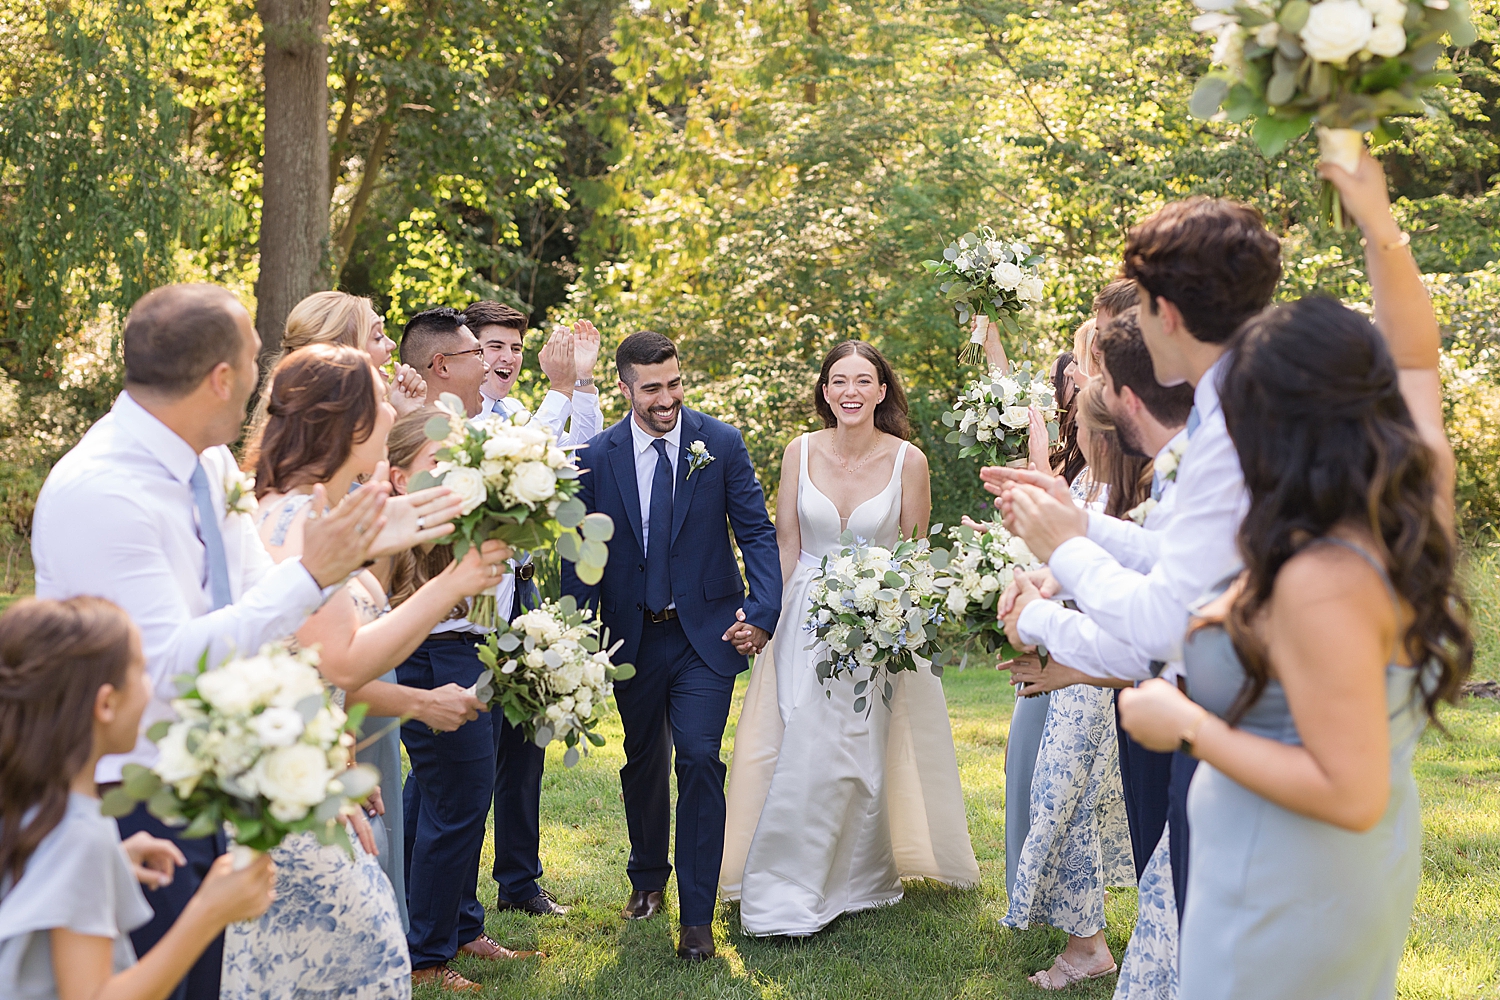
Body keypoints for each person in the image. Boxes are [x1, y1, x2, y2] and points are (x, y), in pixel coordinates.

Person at [30, 284, 458, 1000]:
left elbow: (269, 641)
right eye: (256, 362)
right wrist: (314, 573)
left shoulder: (211, 468)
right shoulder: (104, 492)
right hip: (134, 801)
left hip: (224, 787)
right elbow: (172, 668)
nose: (267, 382)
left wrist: (303, 764)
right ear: (221, 377)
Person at [1118, 153, 1470, 1000]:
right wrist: (1378, 224)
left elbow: (1348, 790)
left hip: (1278, 880)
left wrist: (1186, 726)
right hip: (1343, 870)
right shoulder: (1413, 494)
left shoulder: (1322, 578)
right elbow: (1416, 361)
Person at [984, 196, 1282, 924]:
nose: (1126, 329)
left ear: (1168, 313)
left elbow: (1162, 621)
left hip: (1239, 732)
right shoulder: (1232, 405)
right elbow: (1182, 558)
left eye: (1138, 307)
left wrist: (1056, 573)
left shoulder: (1224, 432)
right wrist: (1079, 521)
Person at [219, 345, 513, 1000]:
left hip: (308, 771)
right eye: (380, 402)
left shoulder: (294, 507)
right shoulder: (300, 518)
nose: (392, 409)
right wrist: (455, 585)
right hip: (287, 785)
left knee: (305, 967)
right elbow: (340, 659)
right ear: (350, 426)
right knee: (366, 960)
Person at [720, 340, 979, 937]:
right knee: (793, 735)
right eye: (839, 381)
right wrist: (763, 612)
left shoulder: (908, 460)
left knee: (856, 746)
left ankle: (854, 878)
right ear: (825, 391)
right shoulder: (798, 451)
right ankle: (781, 879)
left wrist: (899, 618)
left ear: (882, 391)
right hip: (802, 612)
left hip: (876, 618)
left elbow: (914, 554)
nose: (851, 392)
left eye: (864, 381)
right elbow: (785, 543)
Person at [561, 330, 782, 961]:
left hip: (706, 636)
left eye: (675, 383)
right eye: (652, 387)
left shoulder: (721, 442)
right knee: (643, 761)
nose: (667, 398)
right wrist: (576, 638)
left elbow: (757, 534)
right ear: (626, 388)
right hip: (629, 636)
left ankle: (696, 917)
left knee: (700, 760)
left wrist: (761, 612)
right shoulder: (596, 456)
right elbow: (580, 555)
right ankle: (647, 880)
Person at [1000, 308, 1193, 1000]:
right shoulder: (1181, 466)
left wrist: (1047, 616)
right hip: (1151, 695)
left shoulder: (1195, 468)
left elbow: (1156, 624)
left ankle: (1101, 946)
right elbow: (1154, 560)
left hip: (1189, 718)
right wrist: (1072, 536)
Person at [0, 596, 276, 1000]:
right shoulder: (82, 839)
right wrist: (207, 913)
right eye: (143, 672)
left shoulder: (29, 804)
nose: (152, 688)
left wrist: (113, 865)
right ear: (106, 704)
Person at [1002, 379, 1143, 989]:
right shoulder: (1091, 484)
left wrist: (1041, 618)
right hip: (1079, 664)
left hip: (1094, 670)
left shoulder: (1119, 493)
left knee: (1066, 802)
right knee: (1062, 800)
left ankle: (1087, 945)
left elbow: (1099, 580)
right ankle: (1086, 941)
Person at [465, 300, 603, 918]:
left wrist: (584, 382)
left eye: (515, 349)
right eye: (494, 347)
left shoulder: (521, 412)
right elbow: (515, 466)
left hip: (523, 592)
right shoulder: (456, 419)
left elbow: (583, 454)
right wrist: (557, 389)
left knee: (526, 738)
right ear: (466, 352)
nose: (506, 359)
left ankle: (519, 882)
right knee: (468, 750)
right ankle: (445, 887)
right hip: (468, 602)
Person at [346, 409, 491, 934]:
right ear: (400, 476)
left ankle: (442, 926)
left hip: (395, 681)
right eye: (439, 462)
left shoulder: (444, 530)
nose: (453, 473)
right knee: (450, 798)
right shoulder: (378, 543)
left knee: (432, 800)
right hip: (378, 683)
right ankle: (427, 948)